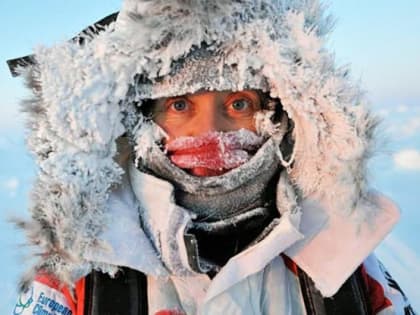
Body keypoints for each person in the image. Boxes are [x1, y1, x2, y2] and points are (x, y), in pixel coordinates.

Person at [8, 0, 415, 314]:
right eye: (181, 106)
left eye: (238, 104)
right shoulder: (77, 270)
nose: (211, 133)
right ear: (141, 120)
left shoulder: (341, 255)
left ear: (279, 114)